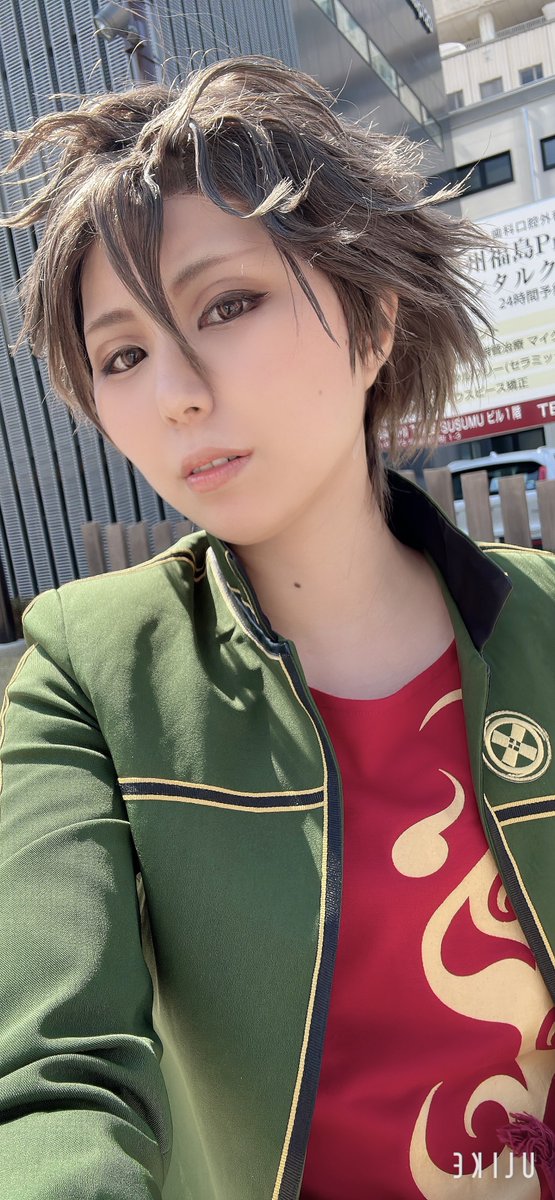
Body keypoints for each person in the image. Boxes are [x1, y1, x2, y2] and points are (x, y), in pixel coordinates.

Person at [1, 53, 555, 1200]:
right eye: (122, 355)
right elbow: (51, 1076)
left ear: (374, 318)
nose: (176, 393)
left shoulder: (545, 626)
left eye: (228, 304)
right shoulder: (88, 677)